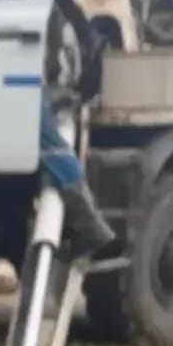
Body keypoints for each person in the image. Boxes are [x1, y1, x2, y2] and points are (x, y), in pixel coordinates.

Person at [39, 90, 116, 259]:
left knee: (72, 187)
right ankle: (98, 234)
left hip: (63, 168)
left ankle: (98, 234)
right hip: (65, 164)